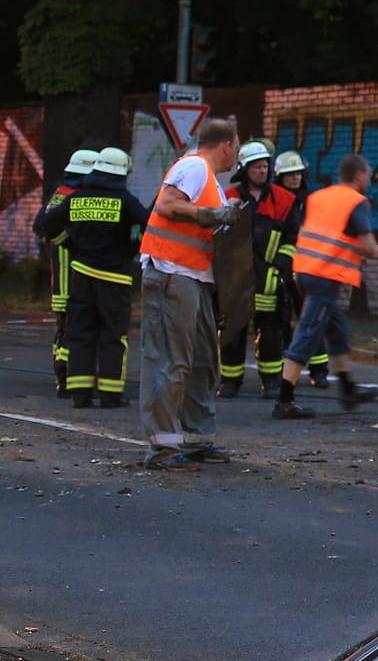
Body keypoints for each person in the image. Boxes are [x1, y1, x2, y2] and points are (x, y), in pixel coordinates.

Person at [138, 120, 245, 471]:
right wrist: (212, 214)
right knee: (171, 361)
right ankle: (164, 448)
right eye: (238, 146)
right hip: (172, 273)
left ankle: (196, 439)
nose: (238, 154)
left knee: (201, 362)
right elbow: (168, 204)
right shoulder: (194, 165)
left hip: (192, 277)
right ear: (226, 145)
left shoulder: (208, 177)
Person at [274, 153, 378, 419]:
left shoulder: (318, 197)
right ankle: (284, 400)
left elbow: (326, 235)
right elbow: (368, 246)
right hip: (325, 276)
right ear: (359, 176)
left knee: (336, 331)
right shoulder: (356, 203)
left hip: (306, 272)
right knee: (308, 334)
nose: (368, 179)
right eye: (367, 175)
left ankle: (348, 389)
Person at [33, 148, 145, 408]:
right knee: (112, 335)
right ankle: (110, 394)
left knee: (81, 333)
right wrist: (131, 250)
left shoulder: (77, 198)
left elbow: (44, 227)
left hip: (80, 276)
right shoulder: (125, 201)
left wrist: (72, 245)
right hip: (115, 279)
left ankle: (80, 393)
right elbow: (150, 226)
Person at [217, 141, 298, 398]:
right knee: (232, 330)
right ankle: (230, 382)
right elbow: (217, 233)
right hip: (235, 277)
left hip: (269, 276)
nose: (263, 171)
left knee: (271, 331)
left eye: (265, 166)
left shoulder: (285, 200)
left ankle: (271, 382)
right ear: (244, 169)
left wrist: (280, 268)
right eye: (257, 167)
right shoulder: (229, 196)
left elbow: (292, 238)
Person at [36, 148, 97, 396]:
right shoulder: (73, 196)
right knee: (74, 328)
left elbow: (43, 226)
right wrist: (71, 241)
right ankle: (68, 377)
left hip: (61, 276)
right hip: (72, 275)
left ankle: (62, 376)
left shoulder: (60, 193)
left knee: (64, 329)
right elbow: (43, 228)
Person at [274, 149, 330, 389]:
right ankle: (286, 372)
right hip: (283, 268)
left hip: (308, 268)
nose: (295, 178)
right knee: (282, 320)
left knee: (311, 320)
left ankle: (319, 370)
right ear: (280, 177)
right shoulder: (274, 201)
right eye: (289, 175)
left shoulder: (312, 202)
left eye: (298, 174)